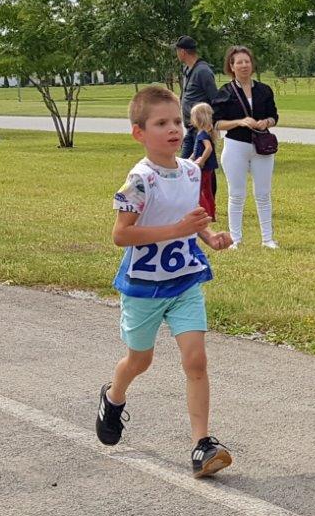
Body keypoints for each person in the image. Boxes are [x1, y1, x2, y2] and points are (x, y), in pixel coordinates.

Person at [95, 85, 235, 478]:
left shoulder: (190, 170)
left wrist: (209, 236)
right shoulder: (140, 179)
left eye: (177, 121)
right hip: (144, 286)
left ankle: (202, 444)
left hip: (185, 280)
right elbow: (121, 235)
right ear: (139, 133)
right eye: (161, 123)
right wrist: (176, 230)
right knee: (140, 360)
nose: (173, 129)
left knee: (196, 360)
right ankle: (113, 396)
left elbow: (189, 215)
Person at [212, 45, 280, 249]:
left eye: (247, 61)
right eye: (239, 62)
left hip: (261, 146)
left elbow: (274, 116)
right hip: (236, 146)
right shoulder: (225, 92)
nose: (244, 65)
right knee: (236, 194)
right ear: (231, 66)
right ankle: (235, 239)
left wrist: (266, 122)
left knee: (263, 193)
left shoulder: (264, 90)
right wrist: (239, 122)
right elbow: (216, 123)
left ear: (252, 64)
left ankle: (267, 239)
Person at [176, 36, 219, 159]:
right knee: (185, 164)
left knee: (201, 165)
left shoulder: (203, 71)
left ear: (182, 52)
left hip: (201, 129)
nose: (177, 54)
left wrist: (209, 127)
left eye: (177, 50)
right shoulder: (187, 69)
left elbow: (215, 99)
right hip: (190, 128)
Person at [189, 102, 219, 221]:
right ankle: (211, 214)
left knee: (198, 191)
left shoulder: (202, 133)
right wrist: (190, 160)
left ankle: (205, 214)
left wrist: (202, 161)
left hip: (203, 168)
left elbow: (208, 149)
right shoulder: (206, 132)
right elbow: (197, 151)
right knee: (207, 191)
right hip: (208, 168)